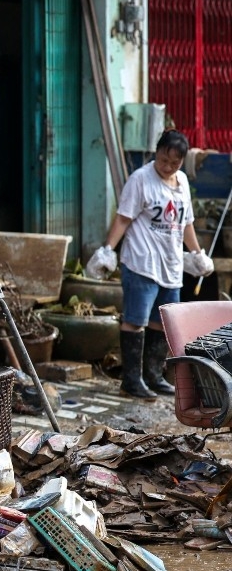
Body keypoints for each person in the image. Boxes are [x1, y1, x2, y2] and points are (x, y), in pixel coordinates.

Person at [93, 129, 207, 399]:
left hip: (171, 264)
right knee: (135, 321)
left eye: (175, 163)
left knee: (161, 322)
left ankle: (153, 377)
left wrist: (198, 254)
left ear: (182, 162)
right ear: (156, 152)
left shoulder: (181, 182)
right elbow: (123, 218)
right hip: (141, 263)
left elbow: (186, 222)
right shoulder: (140, 179)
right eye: (164, 160)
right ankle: (131, 381)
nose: (168, 167)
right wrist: (108, 250)